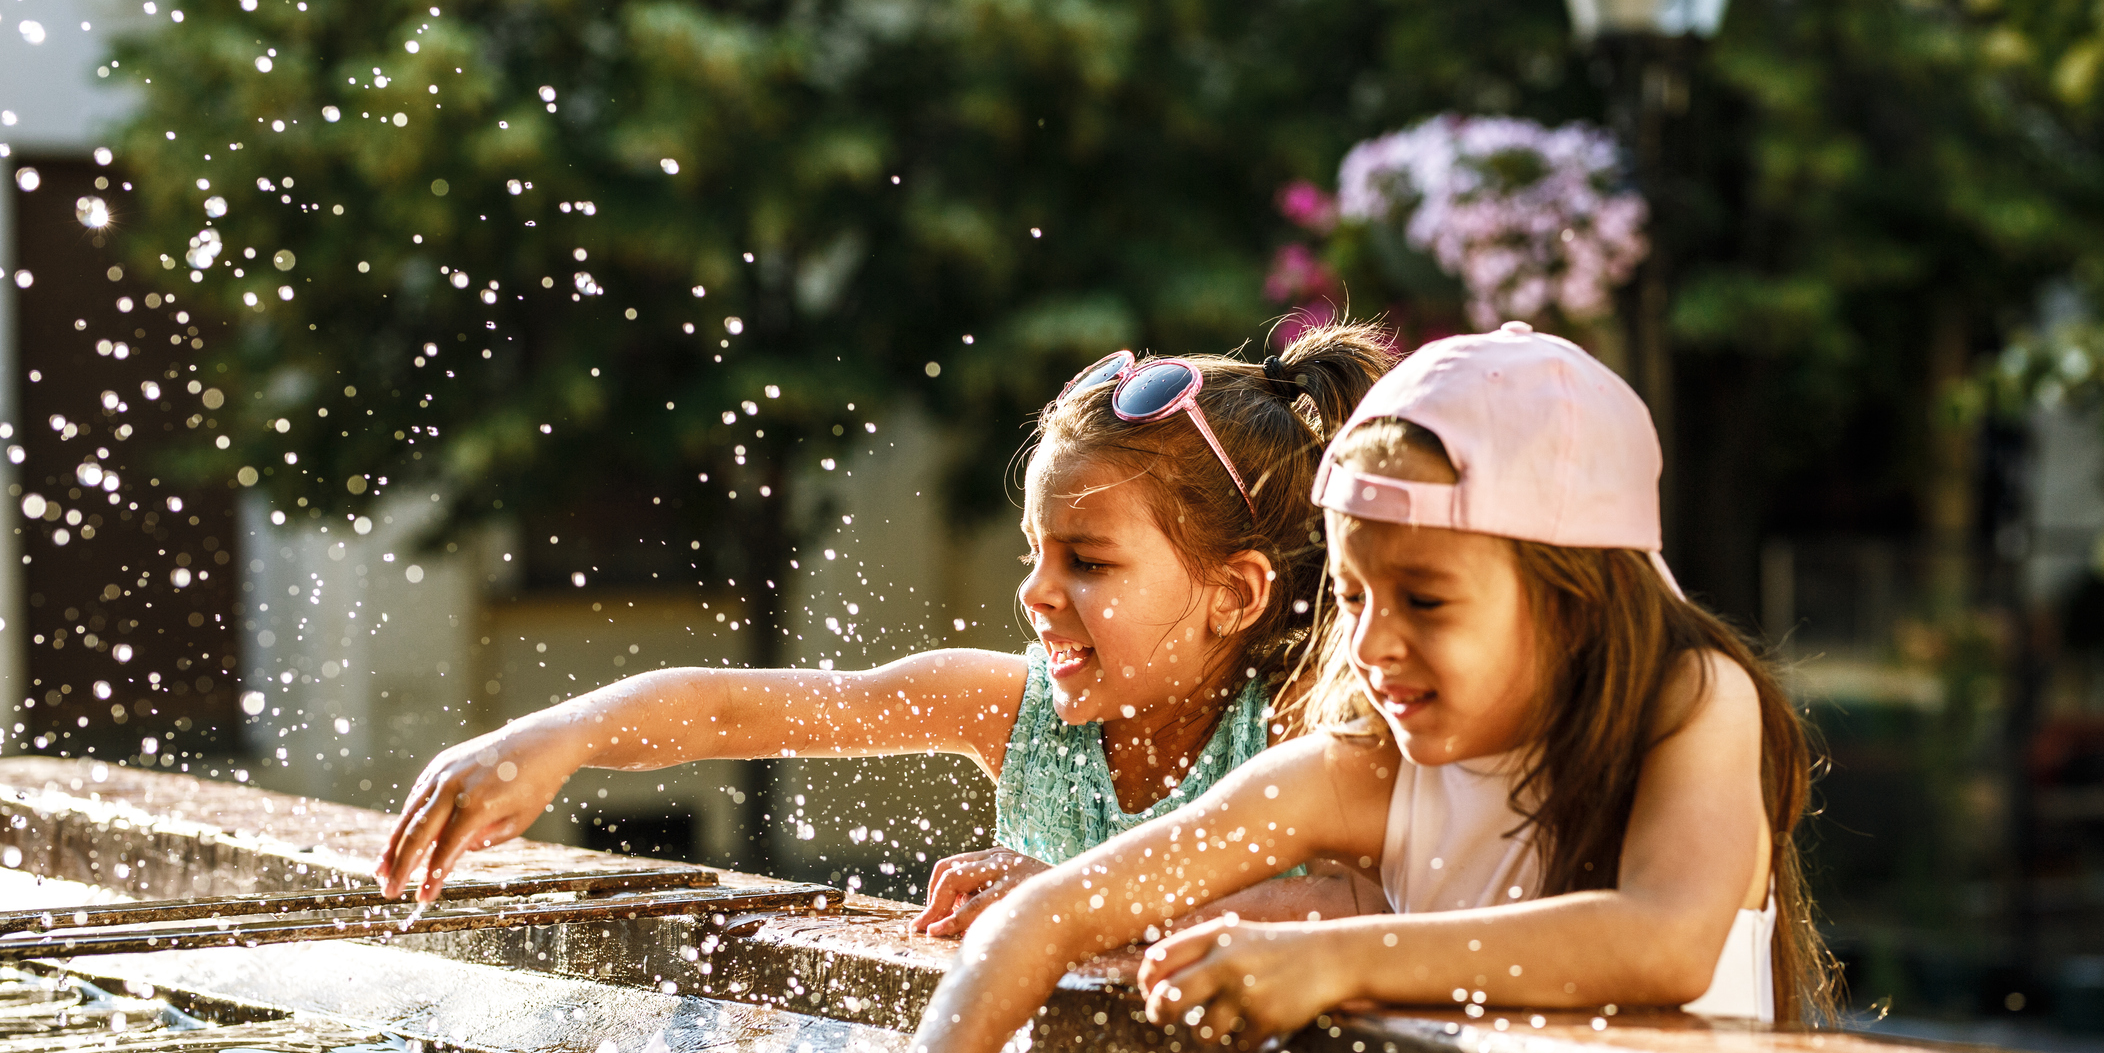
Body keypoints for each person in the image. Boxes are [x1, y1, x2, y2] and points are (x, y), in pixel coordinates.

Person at [858, 322, 1837, 1053]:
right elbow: (1051, 910)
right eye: (1357, 595)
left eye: (1427, 600)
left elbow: (1661, 939)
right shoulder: (1370, 768)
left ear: (1572, 599)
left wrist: (1331, 961)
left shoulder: (1694, 702)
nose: (1371, 643)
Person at [372, 323, 1398, 911]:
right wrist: (561, 735)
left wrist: (1064, 900)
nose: (1038, 594)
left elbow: (1339, 920)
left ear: (1235, 593)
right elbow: (740, 713)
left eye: (1087, 561)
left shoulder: (1307, 744)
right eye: (1034, 553)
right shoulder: (1020, 717)